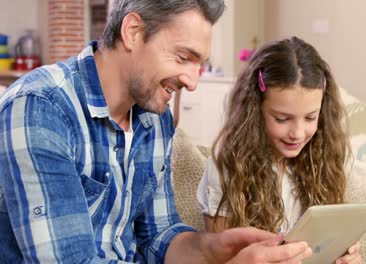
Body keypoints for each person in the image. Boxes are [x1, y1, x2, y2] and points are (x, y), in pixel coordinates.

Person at [0, 1, 313, 263]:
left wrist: (215, 248)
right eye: (183, 57)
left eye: (199, 64)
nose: (192, 82)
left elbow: (157, 236)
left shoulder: (153, 116)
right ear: (133, 32)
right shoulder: (40, 108)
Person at [197, 36, 362, 264]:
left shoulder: (324, 157)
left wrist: (345, 256)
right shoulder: (227, 163)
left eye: (310, 117)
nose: (298, 132)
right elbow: (220, 257)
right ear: (255, 110)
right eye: (282, 118)